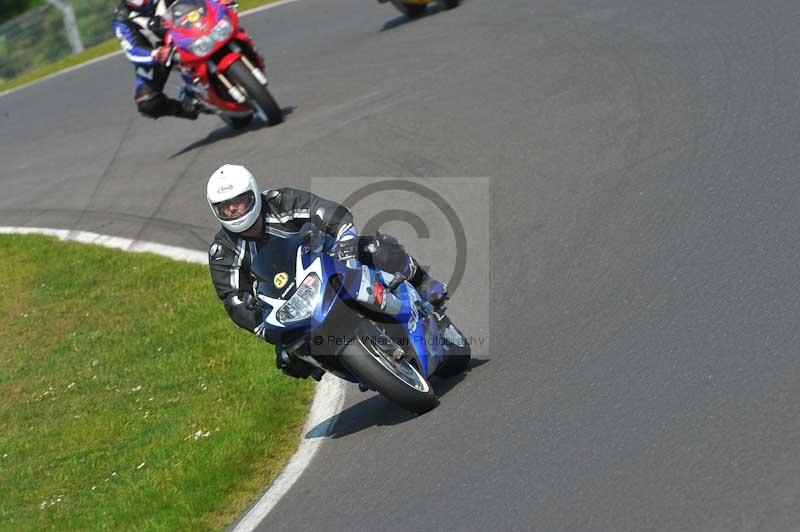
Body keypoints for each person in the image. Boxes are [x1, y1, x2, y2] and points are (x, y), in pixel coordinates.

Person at [206, 164, 448, 378]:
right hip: (289, 301)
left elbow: (322, 209)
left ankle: (423, 283)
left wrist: (344, 236)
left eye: (239, 202)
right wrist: (257, 322)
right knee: (289, 361)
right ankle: (346, 365)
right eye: (225, 207)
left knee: (378, 247)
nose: (234, 211)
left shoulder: (281, 202)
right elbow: (232, 298)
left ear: (254, 194)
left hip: (329, 260)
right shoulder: (223, 251)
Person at [112, 0, 232, 120]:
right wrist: (155, 54)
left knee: (226, 20)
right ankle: (189, 107)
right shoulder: (122, 18)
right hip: (159, 53)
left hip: (190, 32)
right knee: (147, 101)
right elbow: (132, 50)